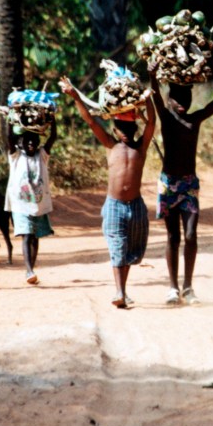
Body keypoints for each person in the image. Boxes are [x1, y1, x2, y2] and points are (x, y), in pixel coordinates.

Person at [59, 77, 156, 308]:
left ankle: (123, 290)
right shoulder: (111, 145)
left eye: (129, 127)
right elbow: (91, 122)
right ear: (114, 128)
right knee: (117, 247)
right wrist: (75, 97)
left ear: (135, 127)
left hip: (136, 206)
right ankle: (119, 292)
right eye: (121, 128)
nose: (125, 132)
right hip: (114, 205)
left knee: (131, 250)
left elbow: (152, 123)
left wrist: (147, 98)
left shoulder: (140, 147)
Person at [149, 72, 213, 305]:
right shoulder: (165, 117)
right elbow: (155, 97)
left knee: (191, 235)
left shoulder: (195, 119)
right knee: (173, 236)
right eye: (177, 98)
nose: (182, 103)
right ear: (170, 99)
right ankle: (173, 287)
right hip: (169, 184)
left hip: (189, 185)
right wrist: (152, 74)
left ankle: (188, 286)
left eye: (186, 97)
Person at [5, 119, 57, 286]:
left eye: (34, 140)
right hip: (20, 204)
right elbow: (9, 137)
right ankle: (29, 270)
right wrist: (10, 118)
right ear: (21, 142)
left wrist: (52, 119)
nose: (31, 143)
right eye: (27, 140)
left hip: (38, 205)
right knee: (26, 236)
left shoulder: (42, 155)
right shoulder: (15, 155)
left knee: (35, 238)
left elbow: (53, 137)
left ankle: (31, 268)